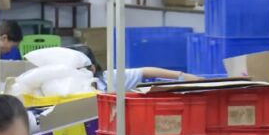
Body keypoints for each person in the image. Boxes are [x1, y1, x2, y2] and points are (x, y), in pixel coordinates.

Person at [69, 44, 199, 92]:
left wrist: (182, 76)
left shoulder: (109, 78)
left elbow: (146, 72)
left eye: (77, 69)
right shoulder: (62, 85)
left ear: (92, 69)